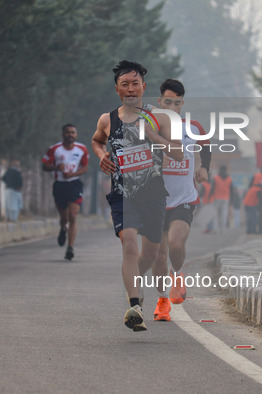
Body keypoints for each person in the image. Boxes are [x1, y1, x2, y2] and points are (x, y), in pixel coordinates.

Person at [91, 60, 183, 331]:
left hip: (153, 196)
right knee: (129, 245)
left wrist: (153, 136)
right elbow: (97, 140)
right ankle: (135, 306)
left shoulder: (162, 118)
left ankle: (136, 284)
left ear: (143, 87)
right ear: (117, 89)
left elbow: (178, 154)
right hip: (122, 194)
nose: (130, 89)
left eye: (135, 84)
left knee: (151, 254)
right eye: (124, 85)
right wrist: (101, 155)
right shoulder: (107, 119)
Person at [137, 79, 211, 321]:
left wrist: (204, 168)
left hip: (184, 198)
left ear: (182, 104)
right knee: (158, 254)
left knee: (176, 243)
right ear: (159, 102)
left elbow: (205, 146)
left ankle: (177, 274)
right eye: (167, 101)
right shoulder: (148, 128)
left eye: (177, 103)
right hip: (155, 200)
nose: (172, 106)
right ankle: (162, 299)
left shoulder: (194, 127)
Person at [42, 124, 89, 261]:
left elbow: (85, 167)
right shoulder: (54, 149)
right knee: (65, 217)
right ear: (63, 134)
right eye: (67, 132)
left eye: (73, 132)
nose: (70, 135)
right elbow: (44, 166)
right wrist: (56, 167)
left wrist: (74, 173)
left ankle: (70, 247)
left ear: (76, 135)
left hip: (74, 184)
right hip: (60, 186)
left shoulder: (82, 149)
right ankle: (63, 228)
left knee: (73, 216)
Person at [209, 165, 233, 234]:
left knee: (215, 214)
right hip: (226, 199)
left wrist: (209, 197)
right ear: (226, 170)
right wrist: (231, 201)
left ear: (219, 170)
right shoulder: (229, 179)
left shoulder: (216, 178)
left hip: (216, 198)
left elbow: (212, 189)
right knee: (224, 215)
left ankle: (215, 229)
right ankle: (223, 230)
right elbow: (231, 191)